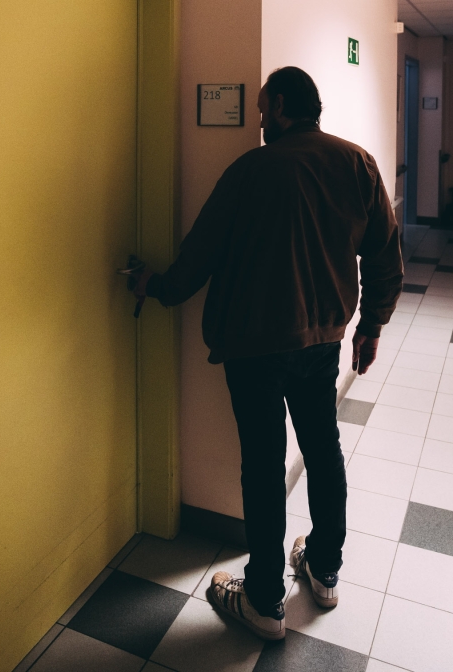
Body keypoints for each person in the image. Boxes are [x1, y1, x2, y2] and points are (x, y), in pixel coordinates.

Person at [132, 66, 403, 641]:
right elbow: (385, 251)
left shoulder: (250, 171)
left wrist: (154, 287)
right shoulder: (357, 164)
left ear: (280, 105)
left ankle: (263, 602)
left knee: (262, 462)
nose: (258, 120)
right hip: (322, 338)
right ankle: (325, 569)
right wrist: (372, 325)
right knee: (322, 448)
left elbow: (198, 257)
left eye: (261, 109)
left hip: (253, 345)